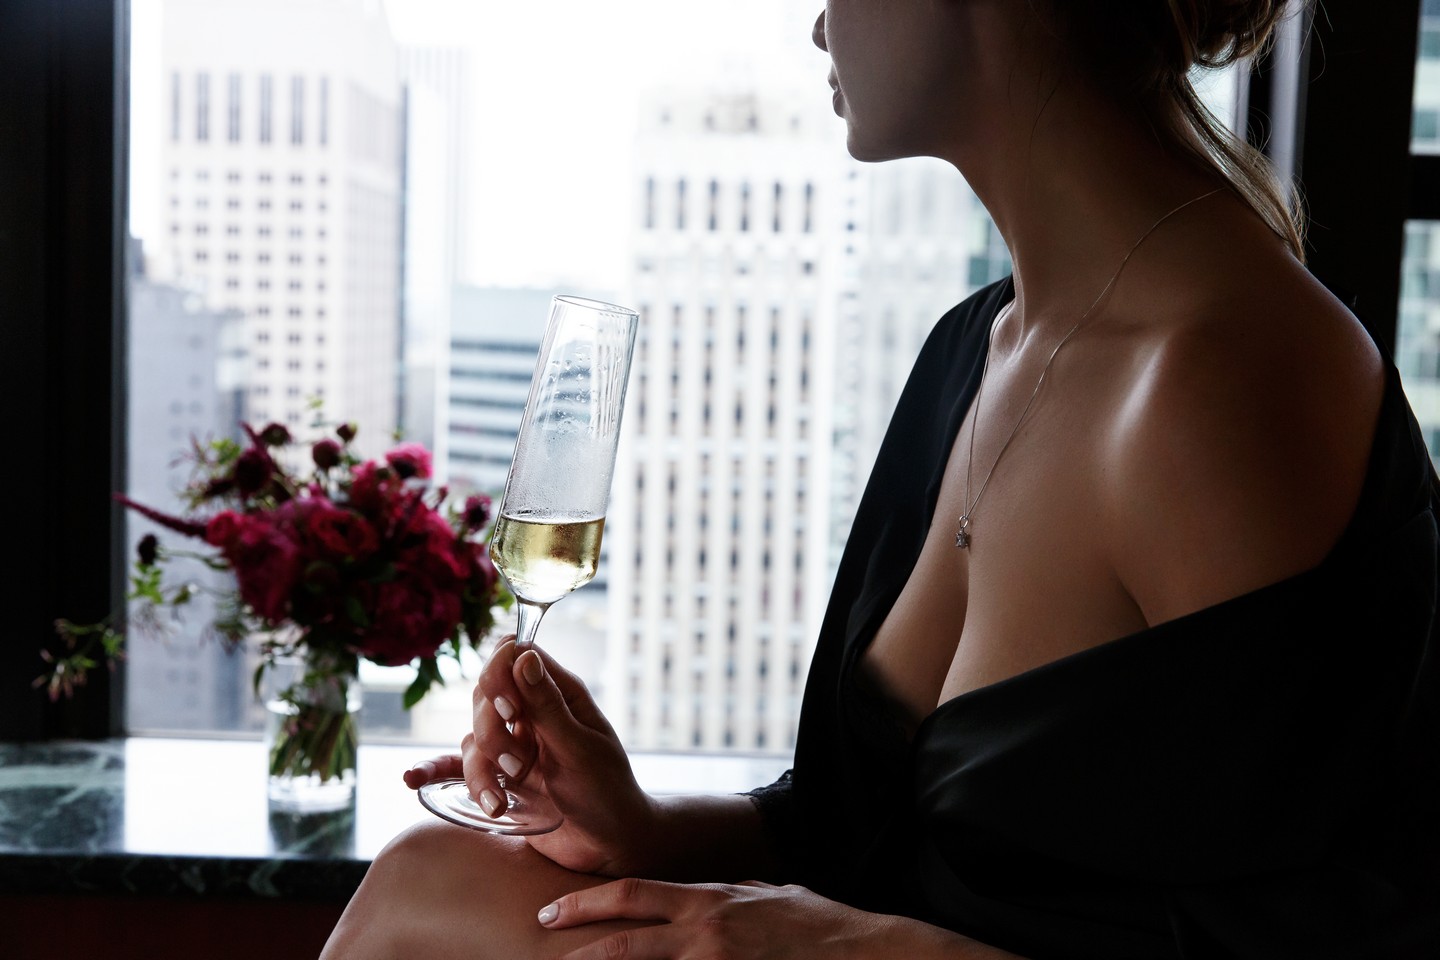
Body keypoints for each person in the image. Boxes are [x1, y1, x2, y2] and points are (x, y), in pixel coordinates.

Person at [323, 1, 1440, 956]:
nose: (817, 22)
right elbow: (874, 832)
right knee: (432, 871)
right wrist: (648, 825)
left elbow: (1343, 934)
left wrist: (868, 950)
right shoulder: (977, 348)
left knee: (431, 900)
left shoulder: (1225, 376)